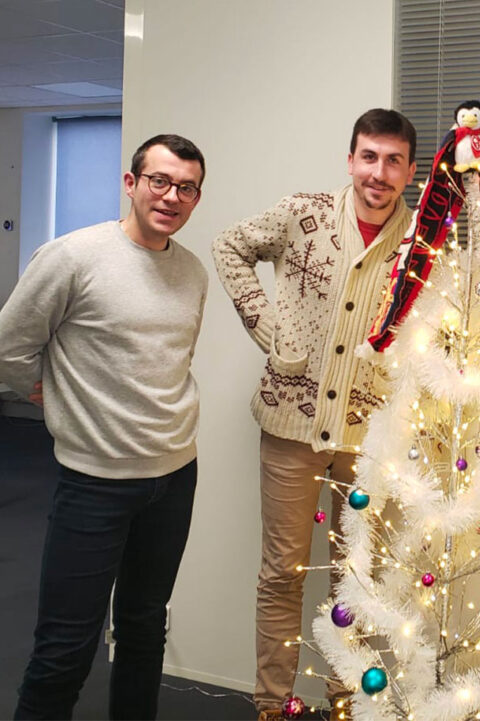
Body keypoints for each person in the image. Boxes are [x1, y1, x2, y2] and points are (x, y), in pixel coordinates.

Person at [211, 108, 416, 719]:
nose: (379, 173)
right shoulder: (304, 213)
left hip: (369, 433)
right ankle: (272, 705)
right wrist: (267, 324)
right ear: (351, 158)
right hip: (291, 427)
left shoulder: (418, 243)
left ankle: (345, 699)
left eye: (393, 160)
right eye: (369, 157)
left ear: (409, 169)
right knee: (282, 573)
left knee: (353, 579)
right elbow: (229, 245)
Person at [0, 134, 208, 720]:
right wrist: (57, 401)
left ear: (196, 198)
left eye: (186, 188)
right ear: (131, 183)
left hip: (173, 476)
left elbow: (172, 361)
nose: (171, 196)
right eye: (159, 181)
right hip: (95, 482)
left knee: (144, 632)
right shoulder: (72, 256)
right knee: (65, 648)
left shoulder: (191, 271)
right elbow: (10, 347)